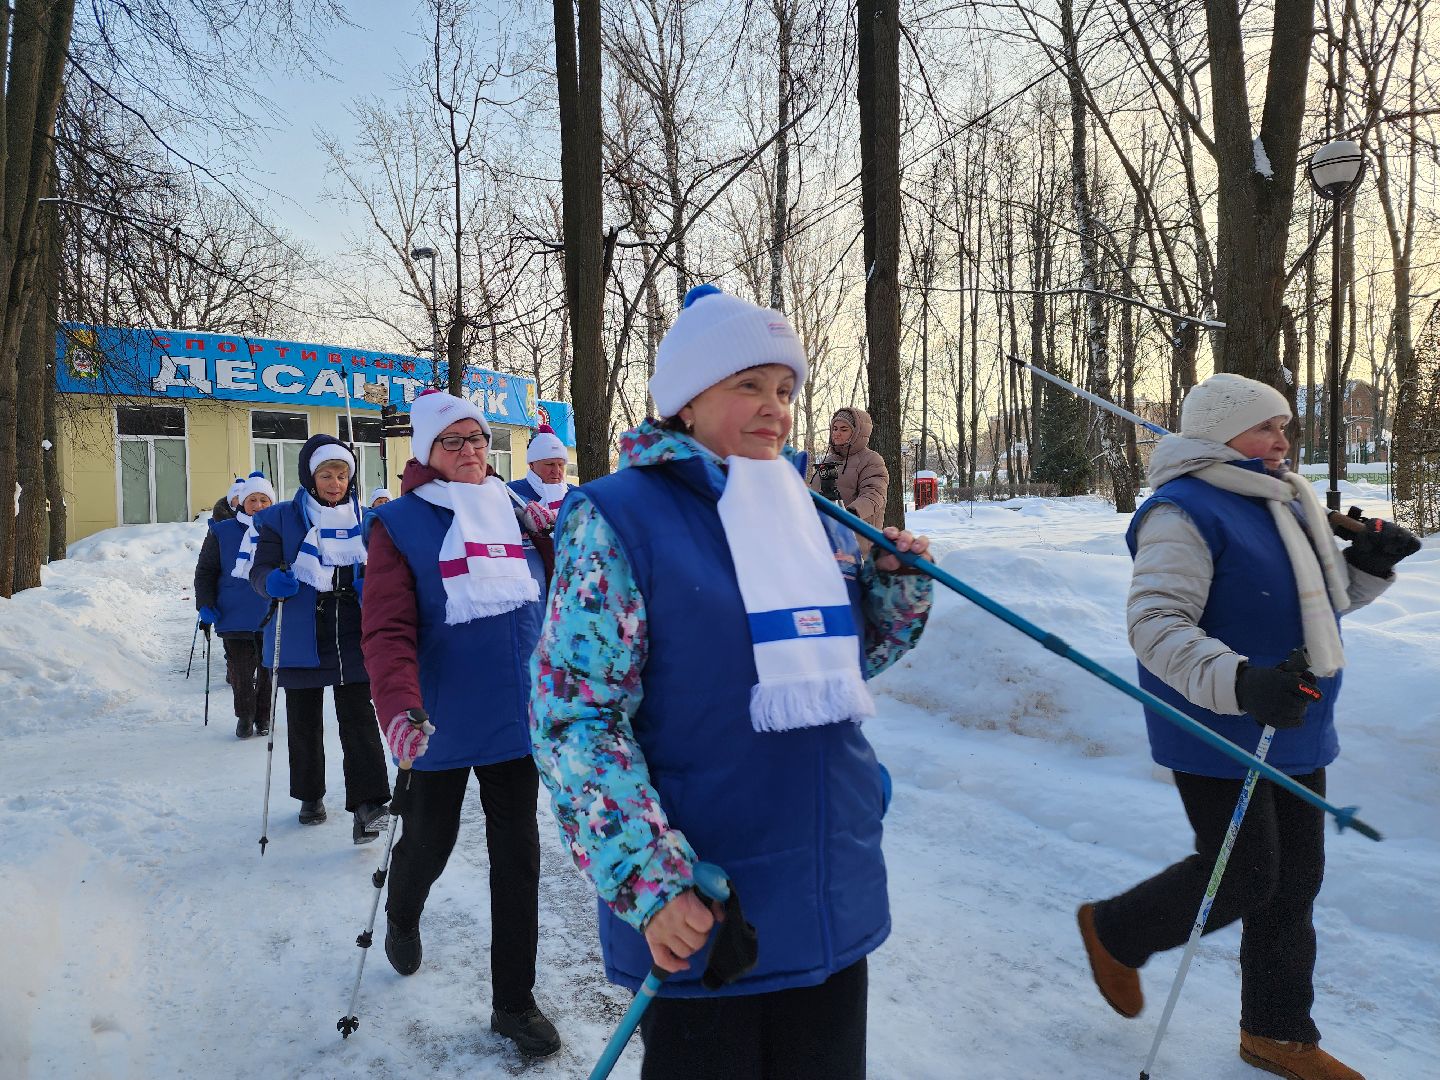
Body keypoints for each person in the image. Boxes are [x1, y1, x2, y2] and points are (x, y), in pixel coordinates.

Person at [530, 285, 935, 1080]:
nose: (775, 408)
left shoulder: (810, 513)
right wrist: (649, 879)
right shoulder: (619, 517)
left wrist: (893, 589)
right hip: (706, 900)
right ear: (686, 400)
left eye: (785, 389)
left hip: (828, 884)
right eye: (749, 385)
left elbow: (837, 668)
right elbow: (577, 719)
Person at [1076, 373, 1419, 1080]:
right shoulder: (1182, 511)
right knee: (1244, 874)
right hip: (1215, 721)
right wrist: (1240, 682)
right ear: (1219, 433)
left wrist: (1368, 565)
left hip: (1293, 715)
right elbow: (1155, 624)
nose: (1282, 440)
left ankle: (1278, 1033)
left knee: (1296, 881)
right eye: (1266, 427)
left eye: (1284, 426)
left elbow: (1312, 607)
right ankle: (1114, 930)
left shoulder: (1283, 499)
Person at [360, 389, 560, 1059]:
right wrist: (399, 708)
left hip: (514, 715)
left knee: (518, 860)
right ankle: (403, 911)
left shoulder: (515, 510)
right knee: (430, 842)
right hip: (436, 720)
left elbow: (550, 600)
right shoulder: (400, 525)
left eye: (478, 438)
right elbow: (386, 630)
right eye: (454, 441)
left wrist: (550, 537)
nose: (471, 450)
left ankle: (514, 1002)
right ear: (427, 450)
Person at [249, 434, 392, 845]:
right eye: (327, 475)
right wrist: (270, 582)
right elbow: (259, 571)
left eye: (342, 475)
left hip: (352, 629)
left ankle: (369, 806)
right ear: (310, 477)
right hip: (302, 629)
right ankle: (310, 795)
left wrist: (374, 585)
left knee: (359, 718)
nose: (335, 483)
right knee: (304, 720)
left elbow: (386, 567)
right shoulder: (281, 518)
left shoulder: (366, 518)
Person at [194, 471, 276, 739]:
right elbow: (205, 571)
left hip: (270, 611)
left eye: (264, 500)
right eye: (253, 500)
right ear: (242, 502)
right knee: (240, 671)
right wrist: (205, 603)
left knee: (268, 670)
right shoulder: (222, 531)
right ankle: (245, 715)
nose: (258, 506)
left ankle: (264, 716)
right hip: (233, 613)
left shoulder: (279, 530)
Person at [807, 406, 888, 553]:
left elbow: (874, 494)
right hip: (826, 541)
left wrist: (849, 514)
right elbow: (815, 493)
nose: (837, 433)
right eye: (835, 428)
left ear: (857, 433)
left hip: (856, 542)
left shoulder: (871, 460)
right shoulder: (828, 460)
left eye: (844, 429)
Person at [506, 424, 574, 589]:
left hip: (568, 581)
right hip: (529, 582)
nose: (556, 471)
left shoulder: (574, 494)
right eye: (549, 464)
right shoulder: (511, 493)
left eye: (561, 464)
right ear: (532, 465)